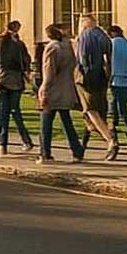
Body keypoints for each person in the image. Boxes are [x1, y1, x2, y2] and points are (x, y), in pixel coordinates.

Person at [0, 21, 35, 157]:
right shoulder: (19, 44)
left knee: (2, 115)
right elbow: (27, 61)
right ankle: (26, 140)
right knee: (15, 112)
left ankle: (1, 146)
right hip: (17, 81)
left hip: (2, 81)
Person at [38, 23, 87, 164]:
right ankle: (77, 150)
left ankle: (45, 154)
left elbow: (49, 72)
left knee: (46, 123)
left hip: (53, 90)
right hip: (66, 88)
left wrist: (43, 89)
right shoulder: (68, 47)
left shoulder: (51, 49)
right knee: (66, 121)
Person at [74, 14, 121, 160]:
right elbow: (108, 57)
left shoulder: (84, 36)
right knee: (98, 111)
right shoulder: (102, 36)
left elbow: (81, 57)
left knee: (90, 110)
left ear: (84, 23)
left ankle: (110, 139)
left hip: (88, 77)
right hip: (101, 76)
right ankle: (86, 144)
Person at [107, 25, 127, 143]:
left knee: (121, 109)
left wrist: (109, 77)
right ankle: (113, 130)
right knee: (115, 105)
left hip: (117, 79)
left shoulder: (112, 44)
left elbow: (110, 63)